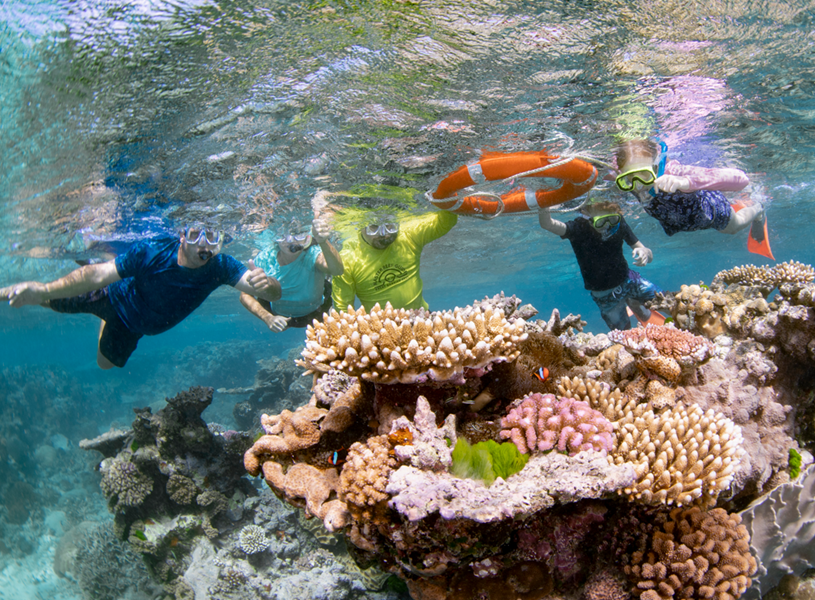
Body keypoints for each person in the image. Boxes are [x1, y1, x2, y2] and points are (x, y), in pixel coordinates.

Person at [0, 226, 281, 369]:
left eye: (211, 237)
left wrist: (267, 285)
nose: (204, 245)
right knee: (46, 300)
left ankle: (102, 301)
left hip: (134, 327)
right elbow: (97, 277)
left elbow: (270, 292)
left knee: (105, 365)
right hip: (110, 296)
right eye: (196, 235)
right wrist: (44, 290)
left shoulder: (221, 266)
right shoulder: (153, 250)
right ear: (182, 236)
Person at [613, 139, 772, 258]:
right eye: (629, 178)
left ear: (657, 166)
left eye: (645, 175)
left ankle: (758, 210)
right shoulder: (624, 180)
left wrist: (685, 182)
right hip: (678, 220)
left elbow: (742, 179)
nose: (638, 185)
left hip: (709, 210)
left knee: (733, 227)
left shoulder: (673, 171)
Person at [538, 200, 663, 331]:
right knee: (624, 333)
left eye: (612, 219)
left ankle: (636, 304)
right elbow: (547, 224)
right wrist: (543, 199)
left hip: (629, 279)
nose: (607, 226)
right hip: (605, 294)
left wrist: (645, 252)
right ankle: (635, 304)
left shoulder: (619, 223)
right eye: (600, 222)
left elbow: (649, 255)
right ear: (585, 214)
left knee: (668, 301)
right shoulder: (578, 228)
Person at [332, 209, 458, 312]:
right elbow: (342, 310)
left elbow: (445, 221)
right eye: (374, 227)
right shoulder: (348, 258)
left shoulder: (408, 235)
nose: (383, 234)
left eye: (389, 226)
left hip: (422, 318)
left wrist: (449, 194)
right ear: (361, 226)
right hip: (380, 330)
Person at [240, 216, 343, 332]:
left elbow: (338, 271)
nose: (291, 241)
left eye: (299, 235)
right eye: (284, 235)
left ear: (307, 237)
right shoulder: (265, 259)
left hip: (316, 313)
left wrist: (323, 242)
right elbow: (245, 295)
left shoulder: (312, 253)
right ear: (276, 237)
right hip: (281, 317)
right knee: (262, 289)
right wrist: (268, 317)